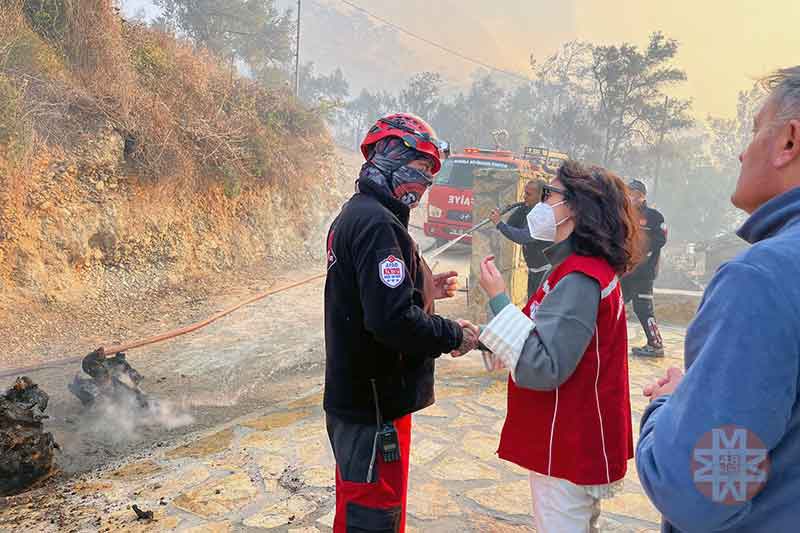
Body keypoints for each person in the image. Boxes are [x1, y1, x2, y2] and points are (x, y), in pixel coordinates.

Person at [637, 67, 800, 532]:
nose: (742, 151)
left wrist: (668, 404)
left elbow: (699, 490)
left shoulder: (765, 279)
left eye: (754, 131)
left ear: (789, 141)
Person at [324, 113, 478, 533]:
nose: (426, 181)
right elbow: (391, 320)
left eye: (431, 172)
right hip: (372, 408)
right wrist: (451, 334)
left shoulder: (361, 213)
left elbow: (369, 293)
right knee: (372, 517)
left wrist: (424, 288)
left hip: (364, 400)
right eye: (422, 166)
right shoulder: (377, 224)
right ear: (391, 157)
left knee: (361, 508)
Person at [473, 161, 643, 532]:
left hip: (568, 440)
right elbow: (542, 331)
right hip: (570, 434)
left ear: (576, 207)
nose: (542, 202)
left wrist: (499, 299)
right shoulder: (577, 268)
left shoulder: (580, 277)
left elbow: (543, 365)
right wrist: (482, 337)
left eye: (550, 194)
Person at [621, 179, 667, 357]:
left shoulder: (655, 217)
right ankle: (607, 340)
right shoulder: (623, 214)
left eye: (635, 194)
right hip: (625, 270)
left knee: (643, 309)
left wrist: (640, 250)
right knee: (614, 304)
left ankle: (656, 345)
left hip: (643, 273)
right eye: (629, 193)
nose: (632, 197)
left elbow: (660, 240)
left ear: (643, 196)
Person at [489, 179, 552, 298]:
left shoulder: (544, 214)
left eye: (528, 194)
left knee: (540, 306)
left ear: (540, 196)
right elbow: (511, 224)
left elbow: (523, 237)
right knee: (531, 304)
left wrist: (499, 223)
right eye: (525, 193)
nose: (524, 196)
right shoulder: (529, 209)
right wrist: (522, 208)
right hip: (534, 271)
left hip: (546, 273)